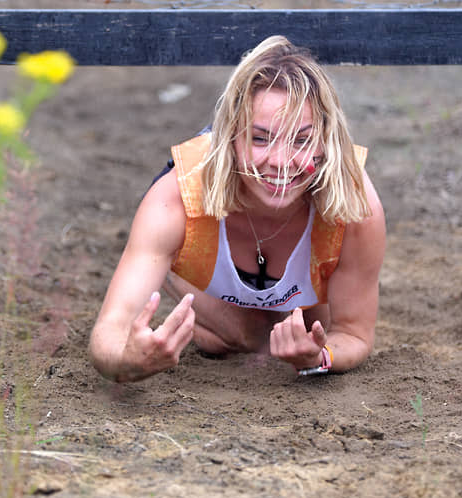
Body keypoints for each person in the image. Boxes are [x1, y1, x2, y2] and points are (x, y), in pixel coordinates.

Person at [89, 35, 386, 383]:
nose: (280, 162)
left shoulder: (354, 205)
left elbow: (353, 335)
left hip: (309, 254)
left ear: (326, 141)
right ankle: (225, 320)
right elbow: (108, 333)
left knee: (304, 330)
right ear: (230, 138)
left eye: (302, 140)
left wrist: (321, 357)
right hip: (201, 247)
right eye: (260, 138)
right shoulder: (175, 201)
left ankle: (225, 329)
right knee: (258, 336)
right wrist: (127, 360)